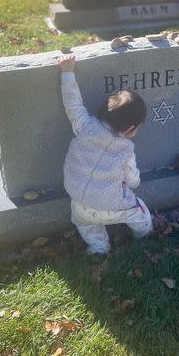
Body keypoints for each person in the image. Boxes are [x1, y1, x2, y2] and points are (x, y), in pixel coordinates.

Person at [58, 54, 152, 254]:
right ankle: (145, 238)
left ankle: (99, 247)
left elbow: (73, 104)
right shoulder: (126, 149)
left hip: (80, 204)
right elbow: (132, 178)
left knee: (87, 224)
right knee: (141, 212)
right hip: (113, 207)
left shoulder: (84, 125)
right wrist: (134, 184)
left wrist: (67, 72)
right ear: (131, 129)